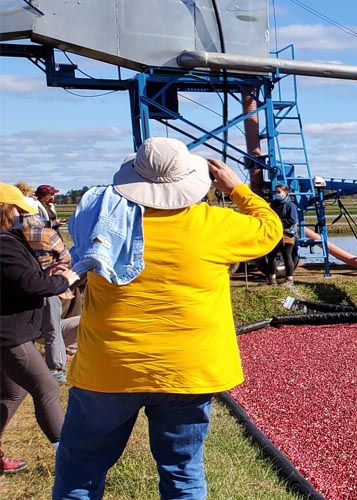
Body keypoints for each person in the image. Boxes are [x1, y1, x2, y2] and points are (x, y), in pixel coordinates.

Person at [53, 137, 282, 499]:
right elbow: (271, 229)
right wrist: (237, 187)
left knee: (80, 469)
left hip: (108, 368)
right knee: (182, 471)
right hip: (187, 372)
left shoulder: (101, 223)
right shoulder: (216, 225)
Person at [0, 183, 80, 474]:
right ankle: (69, 459)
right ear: (8, 211)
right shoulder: (4, 242)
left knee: (13, 393)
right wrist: (63, 281)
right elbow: (29, 285)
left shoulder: (8, 240)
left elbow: (16, 280)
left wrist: (44, 274)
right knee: (45, 387)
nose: (22, 216)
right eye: (18, 210)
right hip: (10, 333)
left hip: (10, 330)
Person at [19, 213, 72, 382]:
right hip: (48, 286)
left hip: (23, 286)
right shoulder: (48, 234)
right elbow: (66, 257)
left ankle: (27, 365)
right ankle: (55, 367)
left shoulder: (15, 237)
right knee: (52, 328)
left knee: (25, 329)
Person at [265, 184, 299, 285]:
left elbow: (292, 220)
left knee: (287, 255)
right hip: (275, 233)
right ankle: (272, 278)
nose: (277, 194)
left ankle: (289, 279)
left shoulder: (290, 205)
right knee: (271, 255)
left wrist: (279, 223)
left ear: (286, 192)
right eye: (276, 192)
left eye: (279, 192)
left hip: (287, 233)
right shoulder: (274, 204)